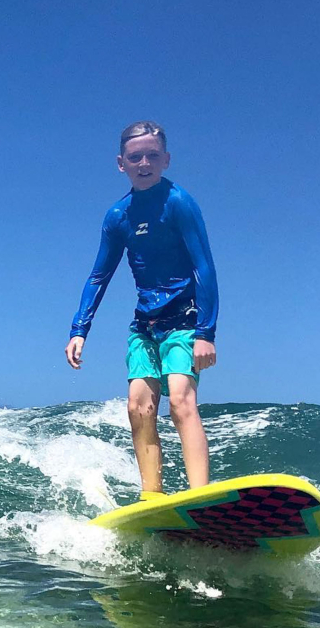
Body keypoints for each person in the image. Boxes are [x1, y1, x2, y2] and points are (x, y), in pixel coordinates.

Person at [65, 121, 219, 500]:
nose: (144, 162)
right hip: (144, 326)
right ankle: (153, 497)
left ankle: (200, 497)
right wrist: (78, 329)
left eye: (153, 155)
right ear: (122, 163)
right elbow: (99, 276)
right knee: (138, 406)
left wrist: (206, 334)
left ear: (166, 159)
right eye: (136, 157)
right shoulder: (118, 216)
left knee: (181, 400)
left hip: (185, 320)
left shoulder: (179, 203)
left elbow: (205, 268)